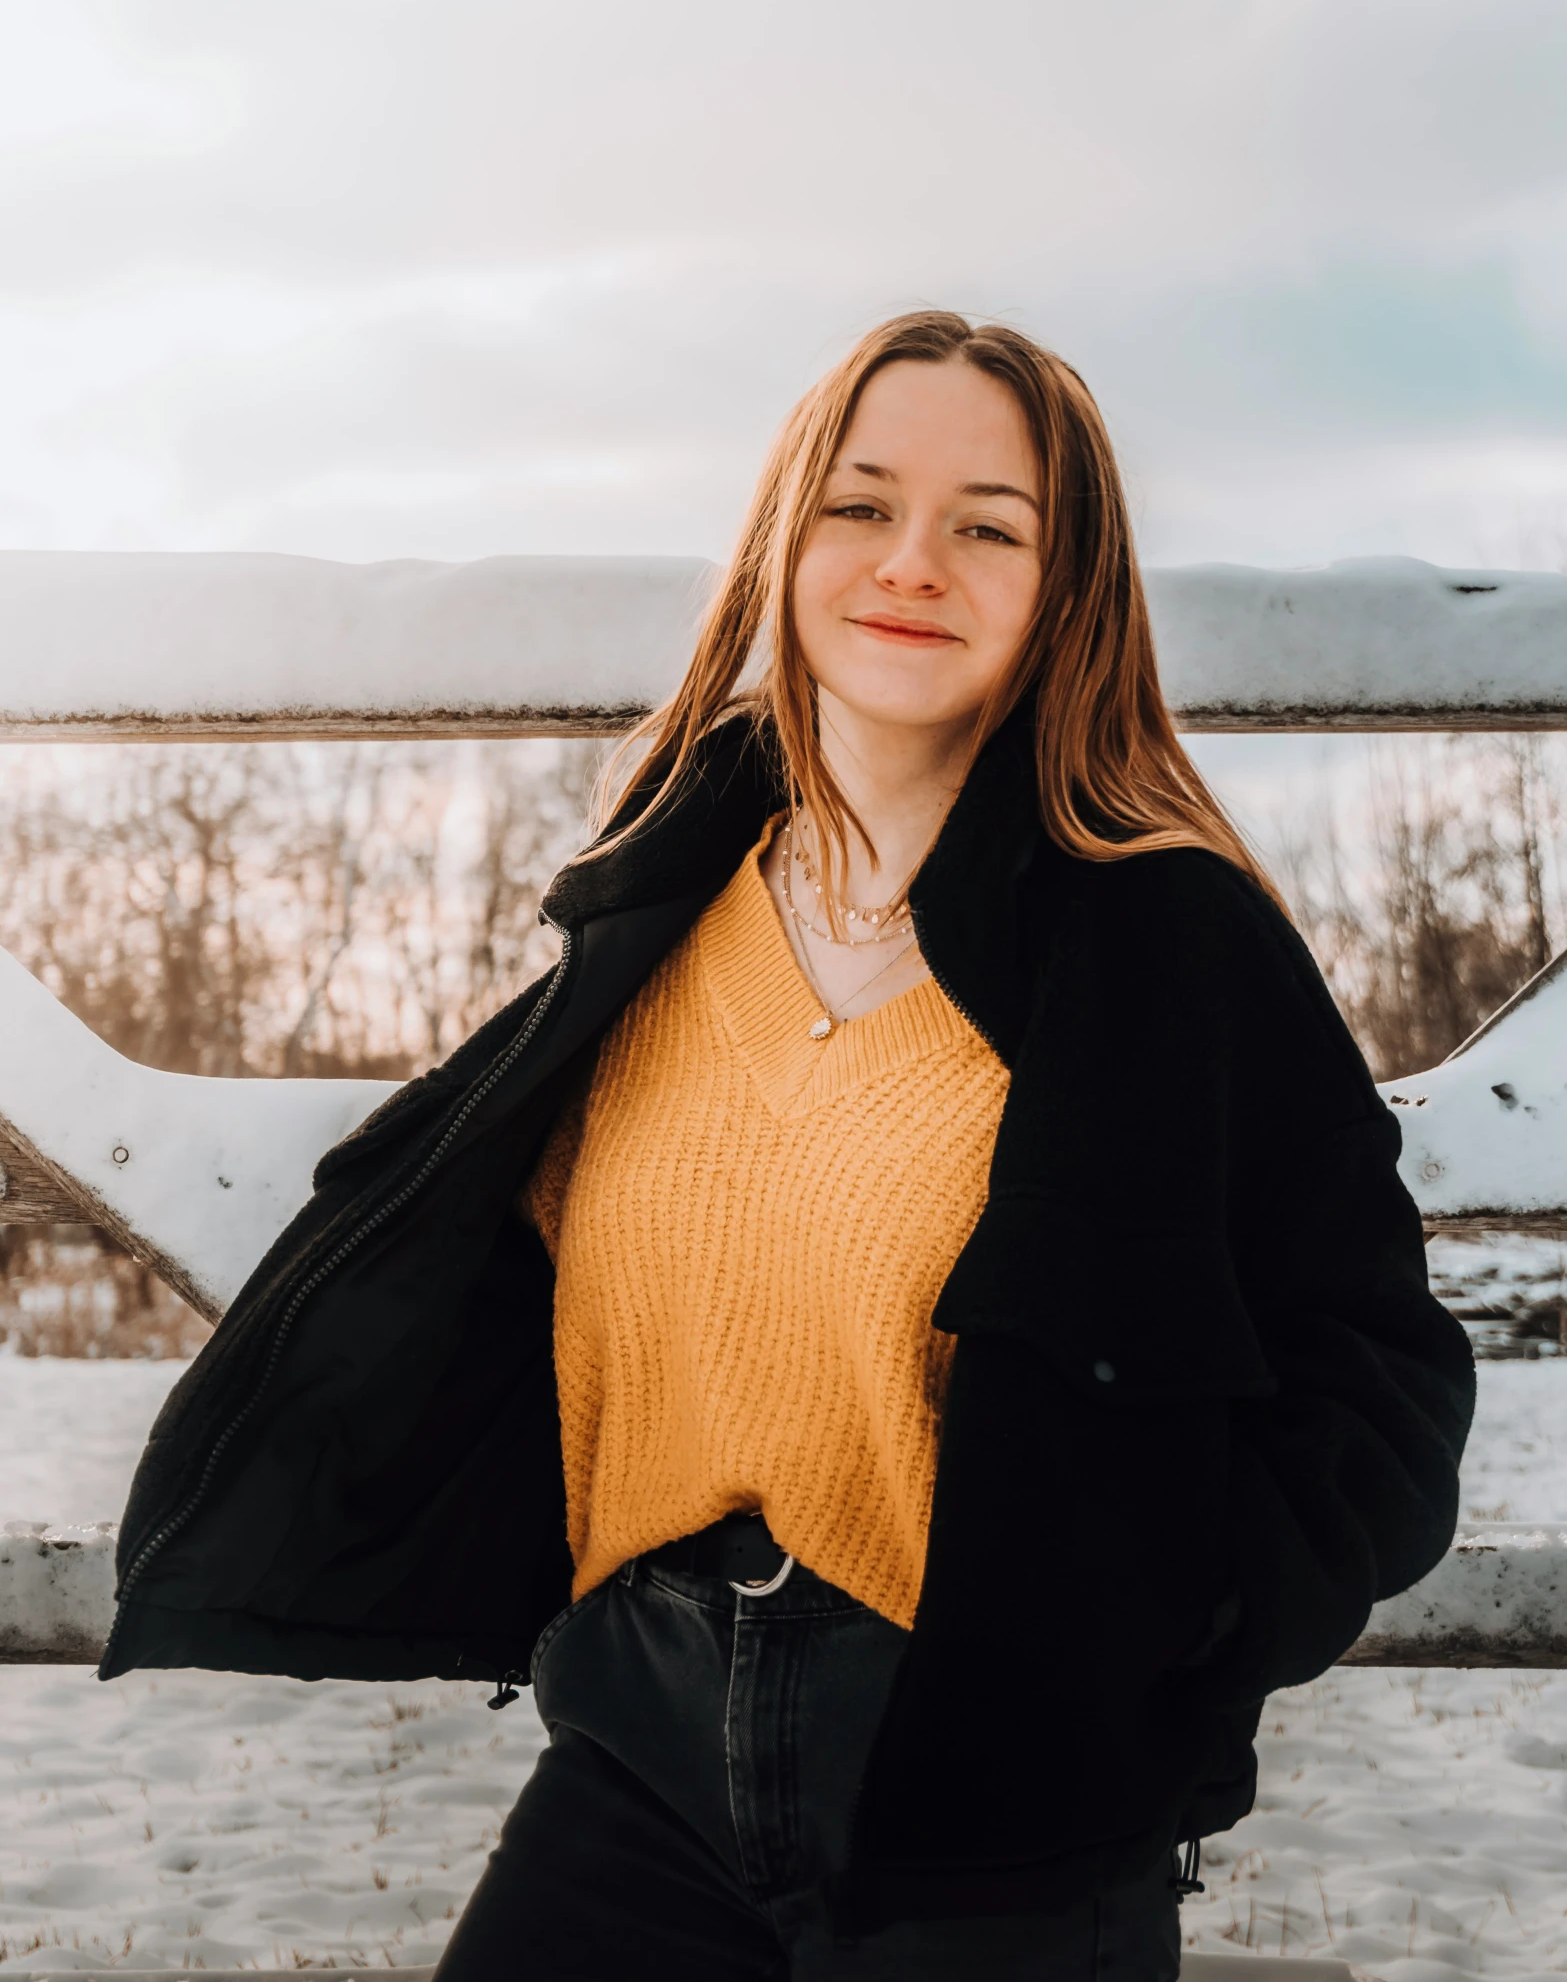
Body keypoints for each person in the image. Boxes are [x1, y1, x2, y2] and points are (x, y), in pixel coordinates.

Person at [101, 311, 1474, 1978]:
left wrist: (1152, 1644)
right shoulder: (661, 900)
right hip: (637, 1740)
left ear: (1065, 586)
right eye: (860, 504)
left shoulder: (1162, 934)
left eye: (988, 525)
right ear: (784, 538)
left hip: (991, 1792)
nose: (913, 561)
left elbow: (1380, 1380)